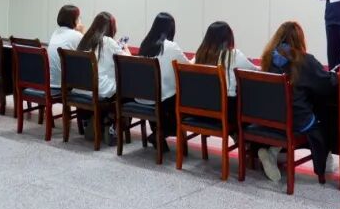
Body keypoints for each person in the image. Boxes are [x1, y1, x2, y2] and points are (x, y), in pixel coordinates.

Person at [257, 21, 338, 183]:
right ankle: (326, 162)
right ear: (299, 39)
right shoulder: (305, 61)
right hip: (296, 120)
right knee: (325, 116)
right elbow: (326, 85)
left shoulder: (268, 58)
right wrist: (334, 75)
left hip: (270, 117)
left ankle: (273, 152)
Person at [136, 12, 186, 150]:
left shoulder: (145, 44)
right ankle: (160, 133)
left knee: (167, 94)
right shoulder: (171, 46)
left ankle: (158, 134)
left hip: (142, 96)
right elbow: (187, 67)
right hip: (160, 100)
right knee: (178, 98)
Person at [194, 21, 258, 124]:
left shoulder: (200, 55)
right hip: (226, 112)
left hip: (200, 110)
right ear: (228, 37)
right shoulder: (234, 55)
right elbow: (255, 71)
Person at [76, 11, 130, 100]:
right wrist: (126, 48)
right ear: (112, 28)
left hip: (80, 87)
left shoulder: (85, 39)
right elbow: (128, 61)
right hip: (99, 89)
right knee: (128, 85)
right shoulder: (108, 42)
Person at [47, 4, 84, 89]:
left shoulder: (55, 33)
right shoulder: (77, 35)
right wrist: (82, 32)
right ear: (75, 20)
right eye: (78, 18)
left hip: (50, 83)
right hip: (65, 86)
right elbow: (89, 56)